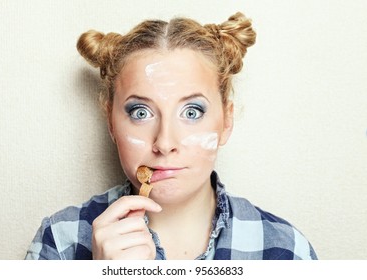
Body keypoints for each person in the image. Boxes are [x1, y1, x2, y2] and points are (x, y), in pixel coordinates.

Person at [25, 11, 317, 260]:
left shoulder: (288, 251)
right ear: (111, 123)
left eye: (191, 112)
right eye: (140, 112)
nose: (164, 143)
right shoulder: (61, 242)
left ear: (226, 121)